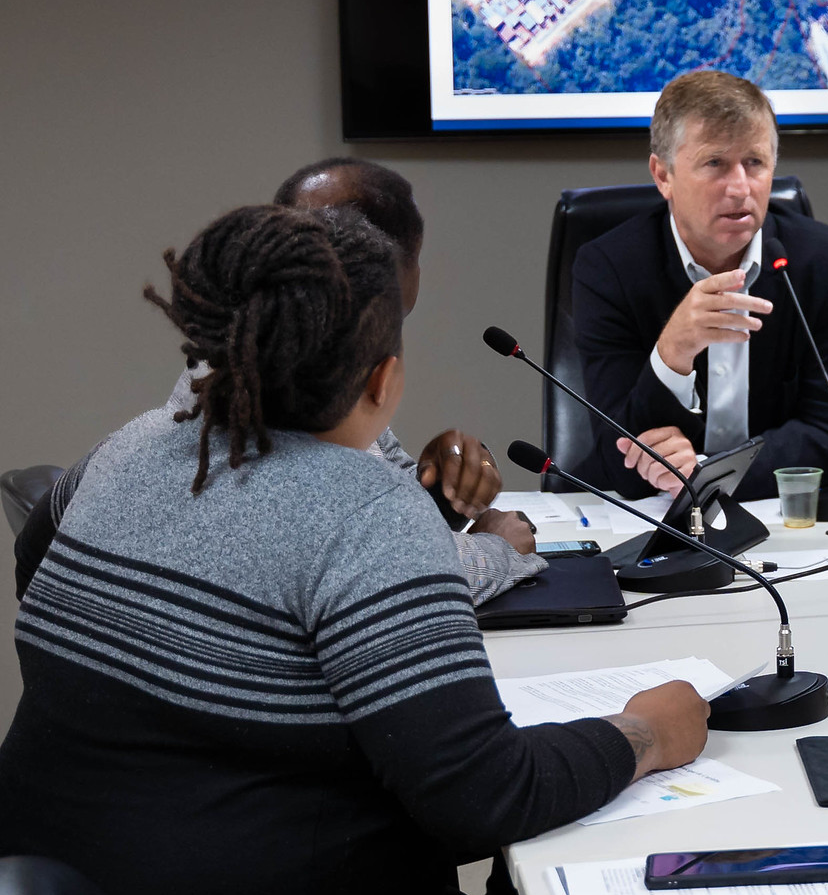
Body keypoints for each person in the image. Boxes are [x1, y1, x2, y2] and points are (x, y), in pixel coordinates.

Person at [0, 205, 710, 895]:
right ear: (383, 377)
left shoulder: (124, 446)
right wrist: (647, 731)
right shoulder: (366, 508)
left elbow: (35, 571)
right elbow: (485, 796)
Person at [13, 158, 544, 605]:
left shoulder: (137, 438)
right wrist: (499, 548)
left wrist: (437, 495)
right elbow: (389, 563)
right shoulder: (282, 437)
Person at [573, 69, 828, 501]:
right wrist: (672, 353)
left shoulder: (824, 263)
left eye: (755, 163)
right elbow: (622, 462)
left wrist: (708, 475)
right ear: (663, 175)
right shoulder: (608, 269)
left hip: (771, 512)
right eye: (715, 164)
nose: (740, 188)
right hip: (640, 515)